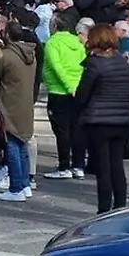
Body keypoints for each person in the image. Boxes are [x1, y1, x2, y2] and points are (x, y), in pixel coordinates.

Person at [74, 24, 129, 213]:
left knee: (103, 169)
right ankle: (120, 207)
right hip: (123, 119)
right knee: (117, 166)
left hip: (99, 120)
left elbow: (82, 95)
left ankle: (103, 210)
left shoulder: (95, 63)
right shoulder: (121, 62)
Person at [0, 21, 37, 202]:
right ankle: (24, 184)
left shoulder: (6, 56)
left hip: (9, 103)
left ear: (7, 35)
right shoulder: (31, 55)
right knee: (22, 145)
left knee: (12, 145)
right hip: (25, 103)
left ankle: (16, 187)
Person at [43, 16, 87, 180]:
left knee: (62, 131)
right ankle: (78, 165)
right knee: (76, 129)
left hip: (59, 91)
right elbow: (83, 64)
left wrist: (69, 86)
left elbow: (57, 67)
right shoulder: (77, 42)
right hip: (76, 89)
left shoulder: (52, 42)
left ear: (54, 26)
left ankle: (64, 166)